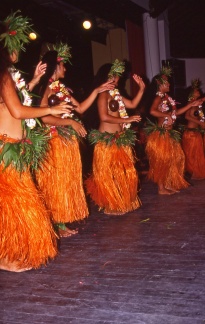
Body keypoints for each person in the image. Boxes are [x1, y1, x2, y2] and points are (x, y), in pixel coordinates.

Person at [0, 12, 71, 272]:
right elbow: (17, 111)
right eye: (16, 46)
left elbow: (11, 104)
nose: (19, 51)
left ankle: (10, 252)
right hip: (5, 150)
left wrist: (33, 81)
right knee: (12, 206)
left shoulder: (7, 76)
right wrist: (50, 111)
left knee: (17, 205)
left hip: (12, 148)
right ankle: (5, 259)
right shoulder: (3, 75)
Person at [34, 43, 114, 237]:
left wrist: (97, 90)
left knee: (65, 181)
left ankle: (60, 221)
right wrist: (70, 122)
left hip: (65, 142)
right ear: (56, 67)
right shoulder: (47, 88)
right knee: (56, 182)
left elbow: (80, 109)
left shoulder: (62, 89)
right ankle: (56, 224)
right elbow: (43, 116)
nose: (66, 69)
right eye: (63, 65)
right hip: (53, 140)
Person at [85, 59, 144, 215]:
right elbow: (104, 117)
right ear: (108, 77)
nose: (119, 78)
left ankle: (119, 200)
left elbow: (131, 104)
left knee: (121, 172)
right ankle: (109, 205)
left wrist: (142, 89)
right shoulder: (103, 95)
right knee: (108, 174)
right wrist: (126, 120)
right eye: (116, 75)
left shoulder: (116, 94)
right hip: (107, 139)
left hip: (119, 138)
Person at [145, 66, 202, 195]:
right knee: (161, 161)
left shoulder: (167, 98)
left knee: (171, 160)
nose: (169, 83)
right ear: (159, 84)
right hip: (161, 134)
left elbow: (175, 113)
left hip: (169, 134)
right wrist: (167, 115)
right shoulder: (158, 98)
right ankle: (161, 188)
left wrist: (190, 105)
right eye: (166, 82)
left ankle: (166, 185)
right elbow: (152, 111)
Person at [182, 79, 205, 179]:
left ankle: (195, 173)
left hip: (196, 132)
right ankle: (193, 173)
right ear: (192, 93)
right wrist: (200, 122)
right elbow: (187, 116)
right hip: (190, 134)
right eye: (196, 90)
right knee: (192, 155)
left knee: (198, 154)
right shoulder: (191, 103)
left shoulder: (197, 104)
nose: (198, 91)